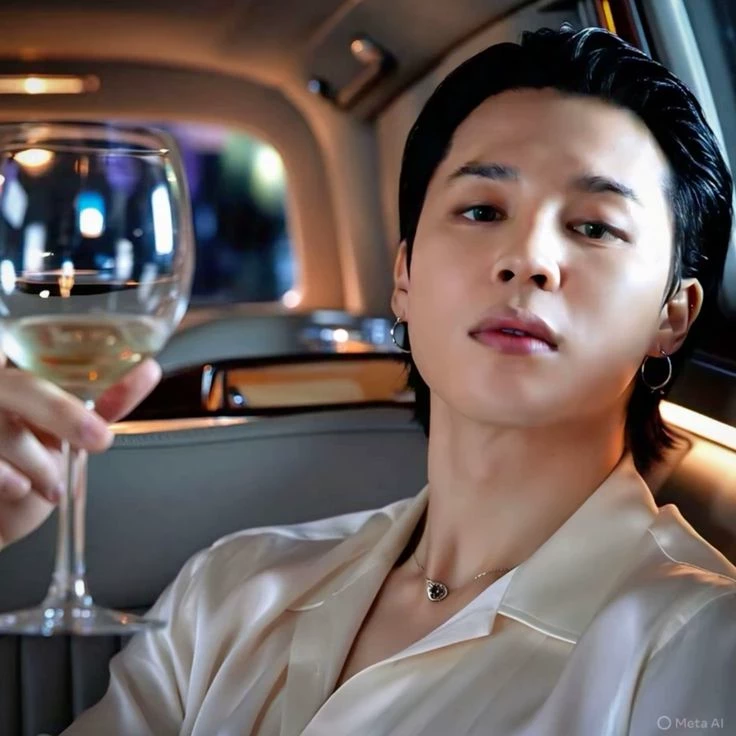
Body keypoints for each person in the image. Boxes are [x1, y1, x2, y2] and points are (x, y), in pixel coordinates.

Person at [1, 25, 735, 736]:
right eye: (482, 210)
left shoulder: (699, 646)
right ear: (405, 277)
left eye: (594, 227)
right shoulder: (228, 587)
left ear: (673, 314)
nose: (527, 260)